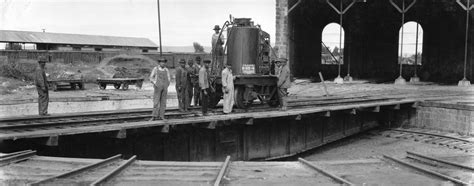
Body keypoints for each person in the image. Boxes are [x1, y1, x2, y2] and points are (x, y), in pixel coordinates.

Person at [149, 58, 170, 124]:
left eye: (164, 62)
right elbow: (151, 77)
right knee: (156, 102)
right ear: (159, 63)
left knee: (163, 102)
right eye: (161, 62)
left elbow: (169, 78)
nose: (163, 63)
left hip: (164, 87)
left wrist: (167, 85)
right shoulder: (155, 69)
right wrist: (154, 83)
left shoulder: (166, 70)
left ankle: (162, 116)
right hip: (157, 87)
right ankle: (154, 116)